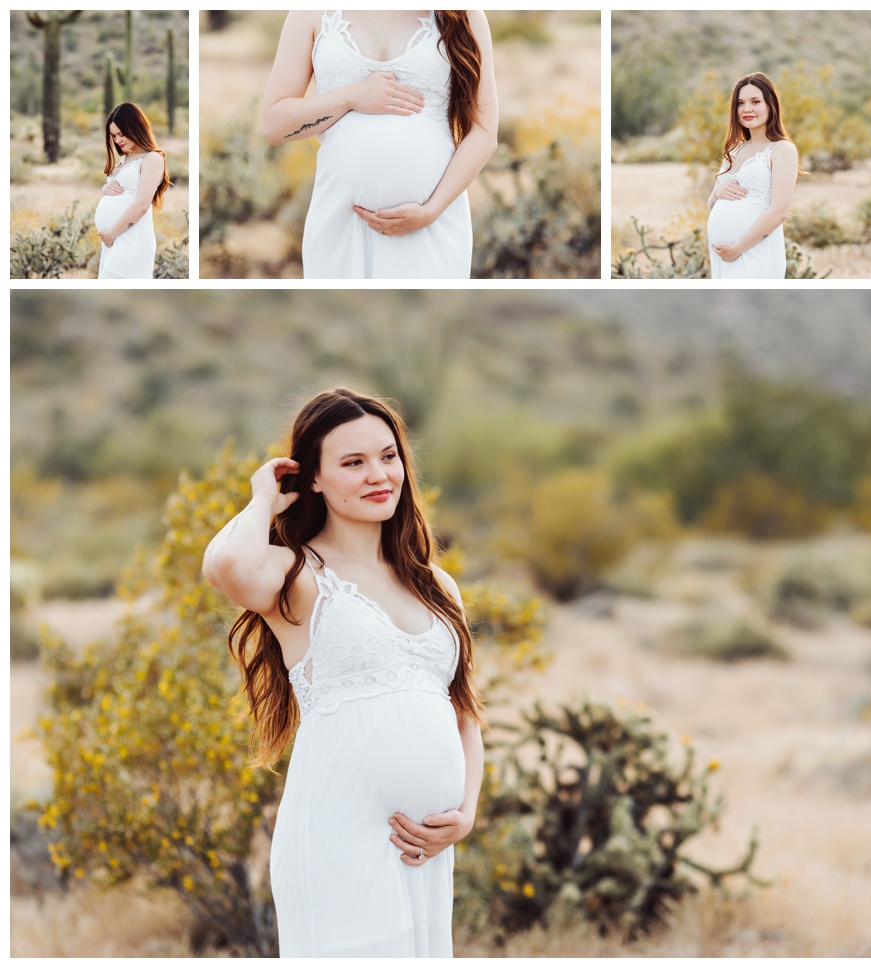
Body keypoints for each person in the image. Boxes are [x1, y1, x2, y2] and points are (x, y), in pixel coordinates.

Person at [203, 388, 484, 957]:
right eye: (353, 463)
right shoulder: (297, 575)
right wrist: (263, 499)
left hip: (422, 849)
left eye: (387, 456)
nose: (378, 474)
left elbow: (465, 717)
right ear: (312, 480)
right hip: (337, 837)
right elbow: (228, 565)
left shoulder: (436, 586)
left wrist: (466, 814)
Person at [262, 10, 498, 280]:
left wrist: (431, 211)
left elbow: (484, 132)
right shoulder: (310, 13)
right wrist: (350, 97)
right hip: (339, 219)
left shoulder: (463, 14)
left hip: (432, 223)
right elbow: (274, 125)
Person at [706, 72, 798, 279]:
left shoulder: (782, 149)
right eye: (740, 103)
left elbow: (780, 211)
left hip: (754, 253)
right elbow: (712, 204)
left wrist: (738, 248)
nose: (747, 109)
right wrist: (718, 191)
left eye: (755, 101)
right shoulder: (734, 150)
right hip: (723, 256)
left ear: (770, 105)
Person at [94, 102, 170, 279]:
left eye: (121, 134)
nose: (117, 140)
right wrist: (105, 187)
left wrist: (111, 234)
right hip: (114, 239)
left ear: (136, 127)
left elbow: (142, 204)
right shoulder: (126, 157)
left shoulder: (152, 159)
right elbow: (122, 187)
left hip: (131, 238)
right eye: (113, 136)